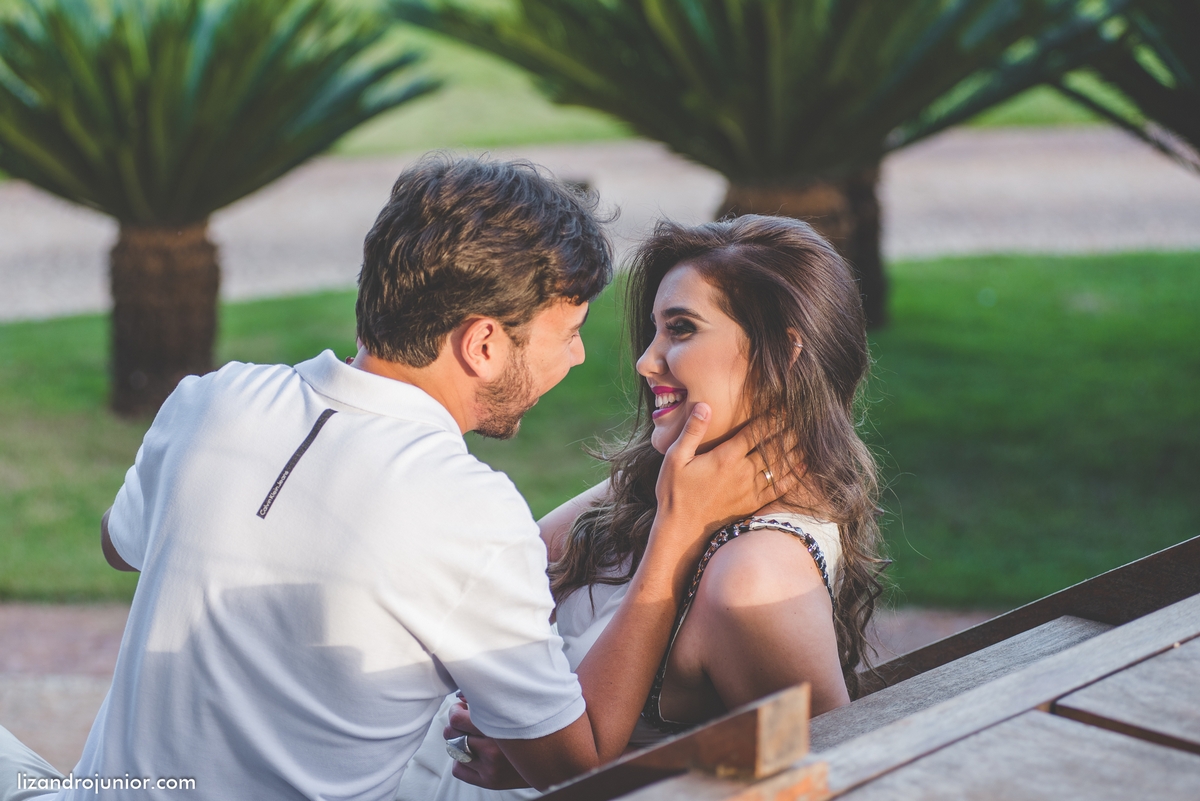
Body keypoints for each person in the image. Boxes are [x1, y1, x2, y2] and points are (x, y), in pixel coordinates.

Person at [0, 157, 785, 801]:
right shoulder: (467, 512)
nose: (577, 356)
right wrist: (675, 534)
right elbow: (578, 763)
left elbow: (119, 543)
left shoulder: (213, 398)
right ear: (484, 344)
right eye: (568, 332)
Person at [397, 214, 887, 799]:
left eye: (681, 329)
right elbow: (502, 583)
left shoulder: (756, 573)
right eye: (656, 331)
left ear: (781, 353)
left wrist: (551, 761)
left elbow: (825, 768)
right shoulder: (674, 484)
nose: (646, 361)